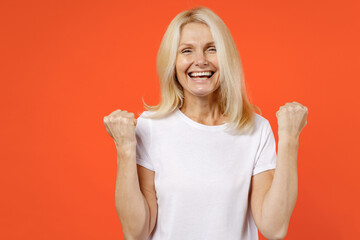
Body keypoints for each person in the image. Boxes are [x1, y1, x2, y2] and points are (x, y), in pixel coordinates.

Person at [103, 6, 308, 240]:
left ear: (226, 58)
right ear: (173, 61)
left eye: (212, 49)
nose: (200, 61)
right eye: (187, 51)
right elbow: (136, 232)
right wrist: (125, 148)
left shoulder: (256, 129)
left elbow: (274, 228)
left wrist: (290, 139)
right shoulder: (150, 127)